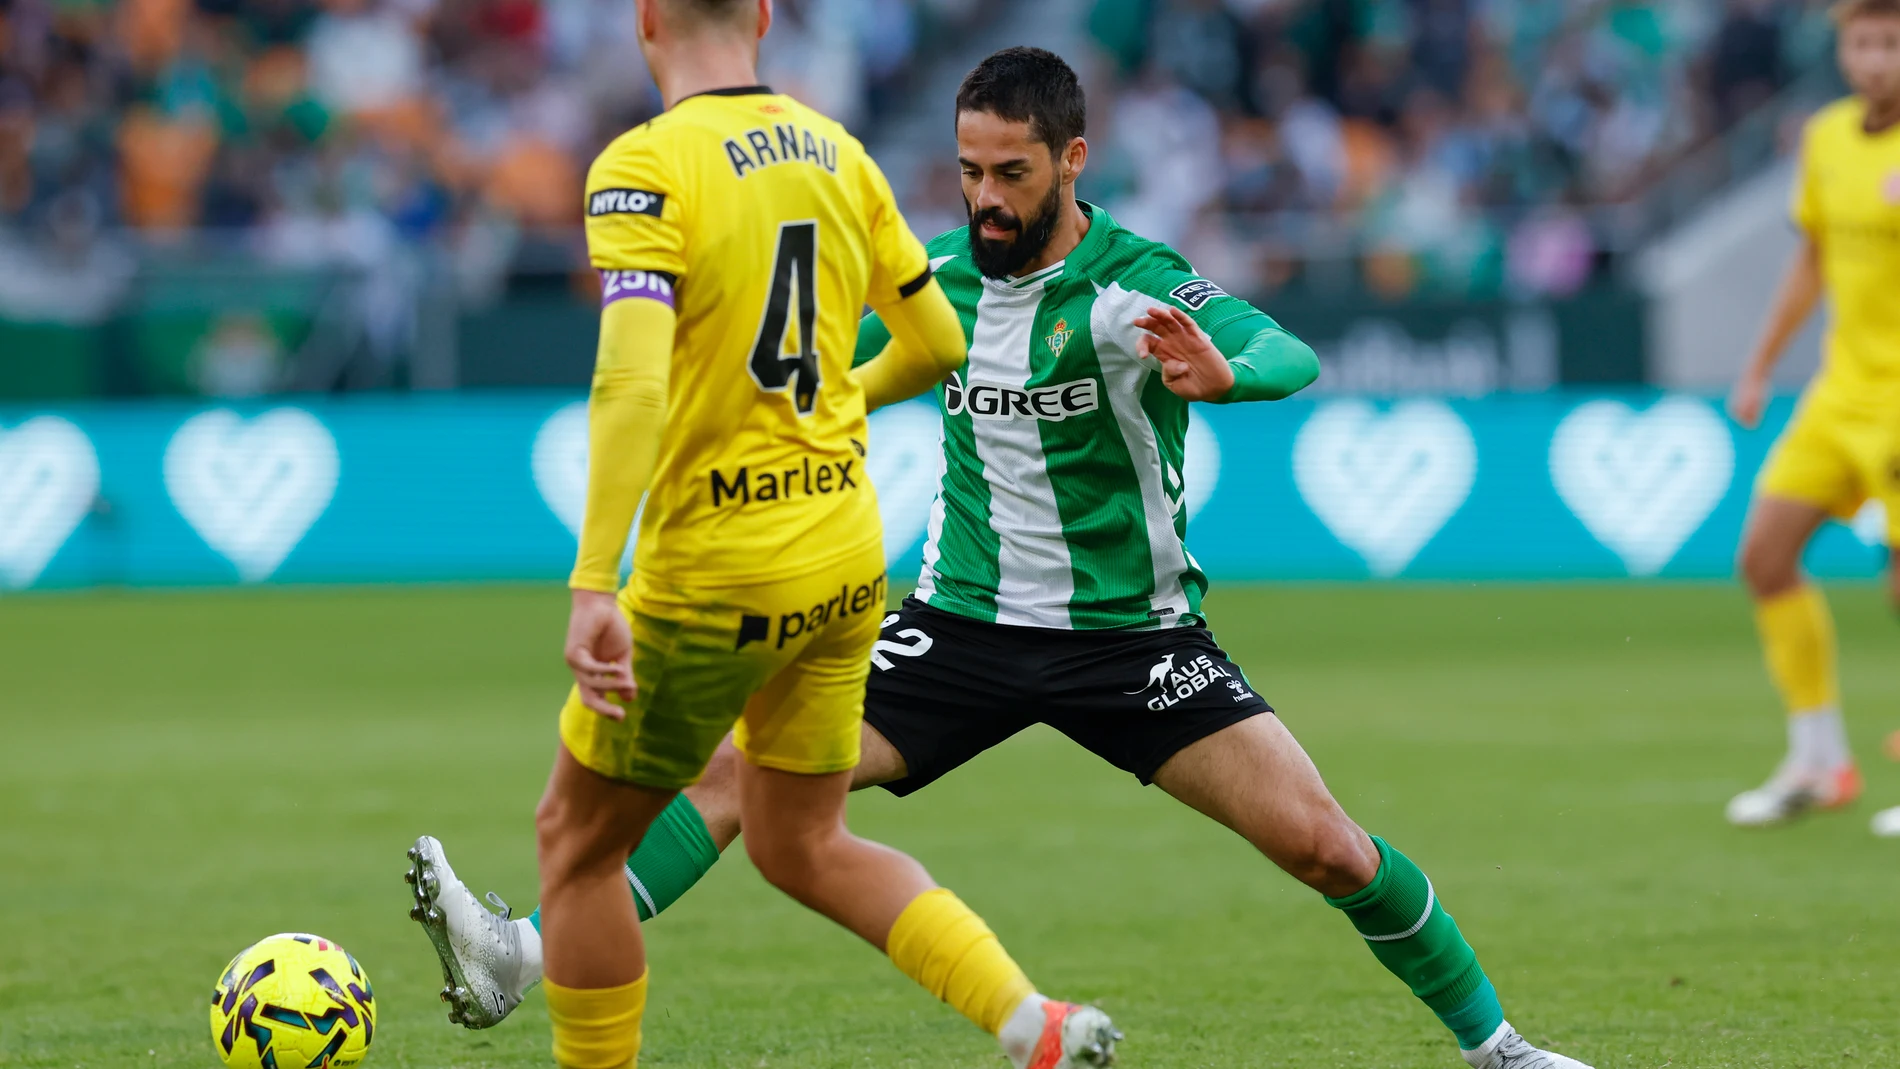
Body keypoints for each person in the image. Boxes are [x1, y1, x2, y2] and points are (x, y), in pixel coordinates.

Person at [412, 46, 1597, 1069]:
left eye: (1011, 173)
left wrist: (1230, 375)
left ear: (1071, 161)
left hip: (1135, 641)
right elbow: (828, 373)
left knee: (1326, 844)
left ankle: (1498, 1045)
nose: (985, 196)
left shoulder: (1131, 285)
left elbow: (1286, 349)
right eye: (971, 171)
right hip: (959, 627)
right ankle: (521, 952)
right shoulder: (942, 274)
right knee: (734, 781)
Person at [406, 8, 1120, 1069]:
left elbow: (632, 379)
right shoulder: (839, 152)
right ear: (765, 18)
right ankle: (1035, 1023)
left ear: (646, 19)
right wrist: (835, 402)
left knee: (578, 848)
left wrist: (594, 578)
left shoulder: (645, 165)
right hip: (841, 558)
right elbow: (939, 340)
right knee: (803, 842)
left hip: (718, 569)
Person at [1723, 0, 1900, 832]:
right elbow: (1813, 260)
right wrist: (1759, 366)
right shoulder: (1828, 136)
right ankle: (1820, 757)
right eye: (1863, 42)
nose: (1875, 58)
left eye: (1891, 43)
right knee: (1764, 555)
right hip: (1840, 394)